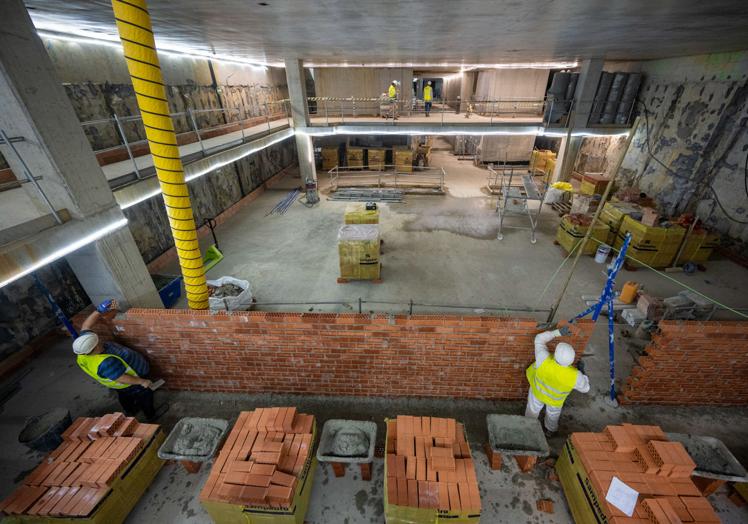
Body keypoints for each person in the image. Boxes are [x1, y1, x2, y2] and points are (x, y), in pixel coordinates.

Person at [72, 299, 167, 421]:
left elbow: (86, 326)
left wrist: (98, 311)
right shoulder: (105, 363)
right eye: (97, 341)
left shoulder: (83, 349)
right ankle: (151, 416)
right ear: (94, 347)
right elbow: (121, 378)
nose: (99, 339)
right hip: (129, 382)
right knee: (145, 395)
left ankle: (131, 410)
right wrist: (141, 382)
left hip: (119, 386)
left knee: (124, 396)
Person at [525, 325, 589, 436]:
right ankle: (550, 431)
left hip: (537, 393)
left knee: (532, 409)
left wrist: (557, 332)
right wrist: (583, 374)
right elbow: (586, 388)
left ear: (555, 354)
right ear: (572, 359)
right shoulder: (575, 375)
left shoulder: (543, 358)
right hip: (555, 401)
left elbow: (539, 339)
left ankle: (527, 426)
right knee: (553, 415)